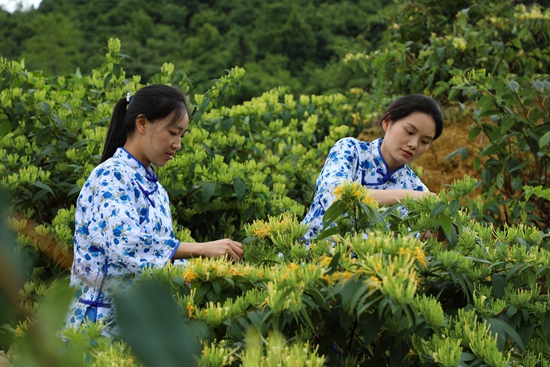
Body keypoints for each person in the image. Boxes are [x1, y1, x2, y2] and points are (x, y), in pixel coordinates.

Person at [63, 84, 243, 337]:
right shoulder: (109, 176)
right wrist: (201, 248)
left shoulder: (154, 187)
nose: (177, 144)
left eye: (182, 135)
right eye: (172, 132)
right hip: (99, 326)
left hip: (138, 327)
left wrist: (213, 270)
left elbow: (155, 263)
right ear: (142, 123)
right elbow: (125, 243)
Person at [302, 94, 444, 241]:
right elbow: (334, 197)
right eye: (409, 132)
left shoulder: (416, 187)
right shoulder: (350, 150)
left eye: (425, 141)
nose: (414, 144)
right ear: (387, 122)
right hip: (305, 258)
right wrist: (407, 196)